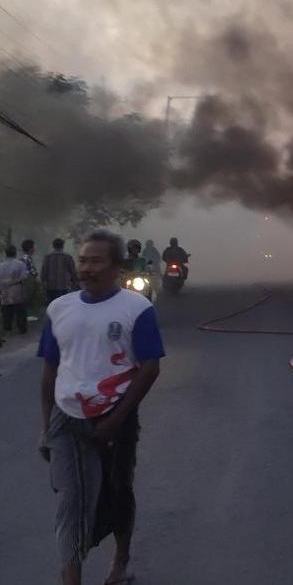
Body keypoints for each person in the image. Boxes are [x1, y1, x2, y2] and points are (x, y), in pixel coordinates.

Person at [38, 229, 164, 585]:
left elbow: (150, 368)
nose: (87, 268)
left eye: (96, 261)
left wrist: (117, 419)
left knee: (117, 489)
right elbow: (50, 369)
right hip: (67, 418)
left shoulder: (137, 308)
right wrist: (44, 426)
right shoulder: (59, 308)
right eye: (83, 260)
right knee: (70, 503)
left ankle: (120, 561)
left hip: (114, 417)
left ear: (116, 267)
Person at [0, 244, 29, 336]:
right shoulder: (20, 264)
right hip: (17, 289)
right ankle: (22, 329)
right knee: (20, 310)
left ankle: (7, 329)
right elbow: (24, 277)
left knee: (6, 310)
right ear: (15, 253)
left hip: (4, 290)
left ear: (6, 253)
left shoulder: (1, 265)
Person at [41, 238, 78, 303]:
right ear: (63, 246)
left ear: (53, 246)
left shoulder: (47, 257)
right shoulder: (68, 257)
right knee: (63, 305)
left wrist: (43, 283)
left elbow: (44, 272)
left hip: (51, 286)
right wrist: (74, 284)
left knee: (52, 305)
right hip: (64, 286)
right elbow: (73, 272)